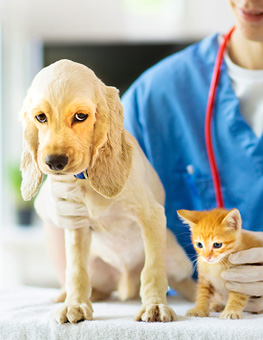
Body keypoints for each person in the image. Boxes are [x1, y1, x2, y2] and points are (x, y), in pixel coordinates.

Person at [43, 0, 263, 312]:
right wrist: (55, 209)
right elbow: (75, 235)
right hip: (195, 316)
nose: (248, 2)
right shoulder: (157, 94)